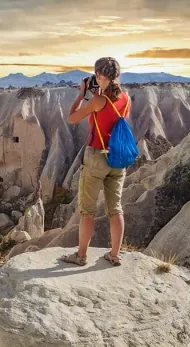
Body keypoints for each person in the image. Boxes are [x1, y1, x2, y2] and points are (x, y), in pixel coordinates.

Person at [60, 57, 130, 267]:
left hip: (97, 157)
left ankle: (81, 256)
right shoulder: (126, 98)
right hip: (118, 158)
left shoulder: (97, 101)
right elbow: (111, 118)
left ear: (99, 75)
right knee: (115, 209)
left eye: (96, 74)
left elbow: (72, 118)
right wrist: (97, 96)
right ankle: (115, 255)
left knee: (87, 211)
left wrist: (81, 95)